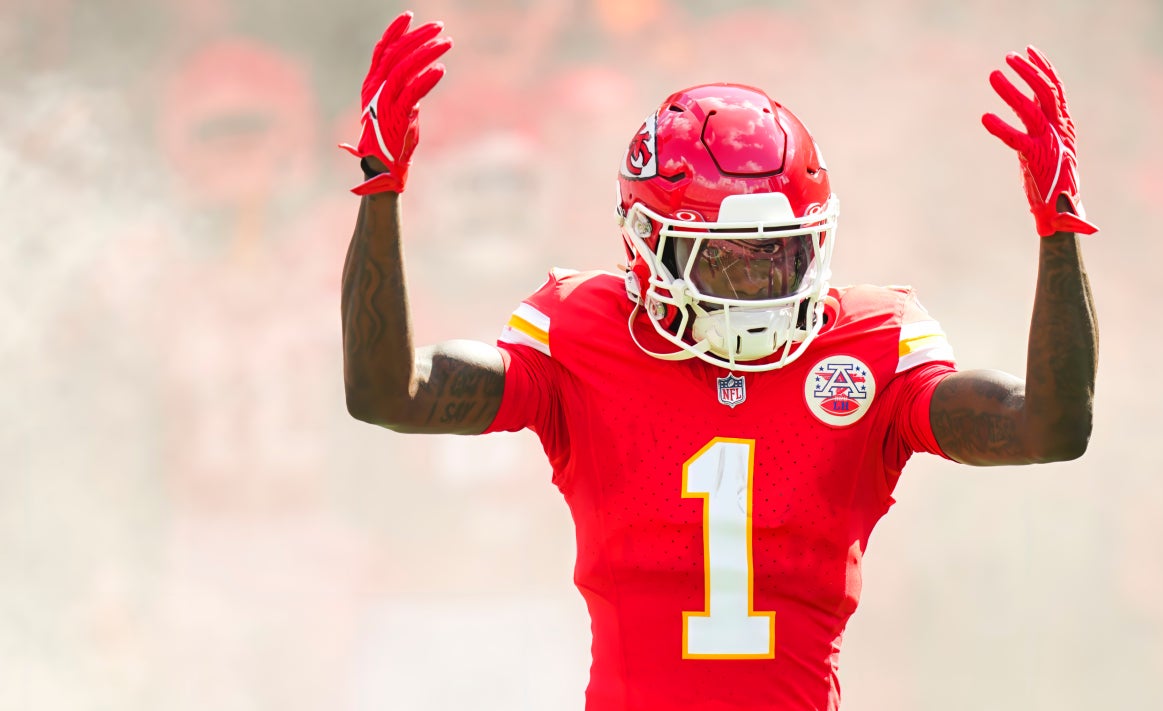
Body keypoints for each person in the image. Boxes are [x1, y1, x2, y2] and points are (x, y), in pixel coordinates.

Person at [339, 12, 1098, 711]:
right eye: (727, 261)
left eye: (781, 255)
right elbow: (392, 394)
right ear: (646, 245)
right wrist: (380, 191)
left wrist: (1059, 230)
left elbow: (1047, 429)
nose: (762, 285)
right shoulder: (585, 335)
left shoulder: (870, 343)